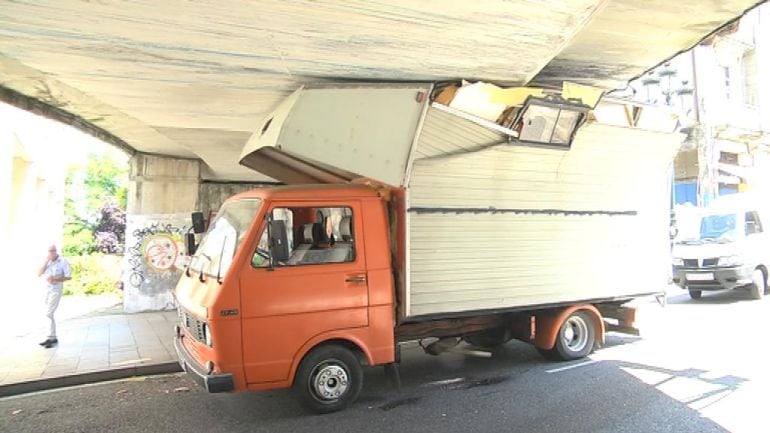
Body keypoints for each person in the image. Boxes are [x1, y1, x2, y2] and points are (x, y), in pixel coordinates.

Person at [36, 244, 71, 348]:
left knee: (48, 313)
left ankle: (51, 336)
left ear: (56, 251)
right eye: (49, 251)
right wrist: (46, 262)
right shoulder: (46, 262)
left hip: (56, 289)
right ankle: (52, 337)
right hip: (46, 289)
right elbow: (38, 273)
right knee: (47, 313)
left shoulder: (63, 261)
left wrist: (55, 279)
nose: (51, 253)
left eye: (53, 250)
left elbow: (68, 276)